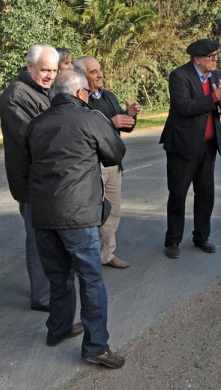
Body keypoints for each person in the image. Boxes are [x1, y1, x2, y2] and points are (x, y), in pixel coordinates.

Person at [26, 70, 126, 368]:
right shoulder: (91, 118)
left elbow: (26, 164)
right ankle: (95, 345)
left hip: (43, 214)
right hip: (79, 215)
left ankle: (58, 329)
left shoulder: (36, 124)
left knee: (58, 277)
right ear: (81, 93)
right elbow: (114, 153)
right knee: (91, 279)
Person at [160, 38, 221, 259]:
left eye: (216, 56)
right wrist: (214, 97)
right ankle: (173, 240)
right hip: (183, 146)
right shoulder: (179, 76)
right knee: (178, 193)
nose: (215, 60)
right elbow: (184, 107)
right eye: (211, 57)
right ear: (198, 59)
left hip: (208, 146)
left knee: (206, 194)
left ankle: (202, 236)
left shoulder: (217, 76)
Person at [0, 44, 58, 312]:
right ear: (29, 67)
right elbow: (35, 137)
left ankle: (50, 288)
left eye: (54, 70)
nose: (50, 75)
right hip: (32, 181)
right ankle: (42, 296)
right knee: (36, 239)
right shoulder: (15, 95)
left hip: (47, 178)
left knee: (47, 236)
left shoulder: (42, 90)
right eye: (45, 69)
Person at [75, 56, 141, 269]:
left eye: (100, 70)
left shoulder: (109, 96)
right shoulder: (80, 99)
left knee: (113, 212)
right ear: (82, 77)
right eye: (93, 72)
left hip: (113, 164)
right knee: (91, 215)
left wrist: (130, 115)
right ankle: (86, 260)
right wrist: (111, 123)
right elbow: (82, 130)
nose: (100, 74)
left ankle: (106, 255)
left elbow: (124, 126)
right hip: (92, 166)